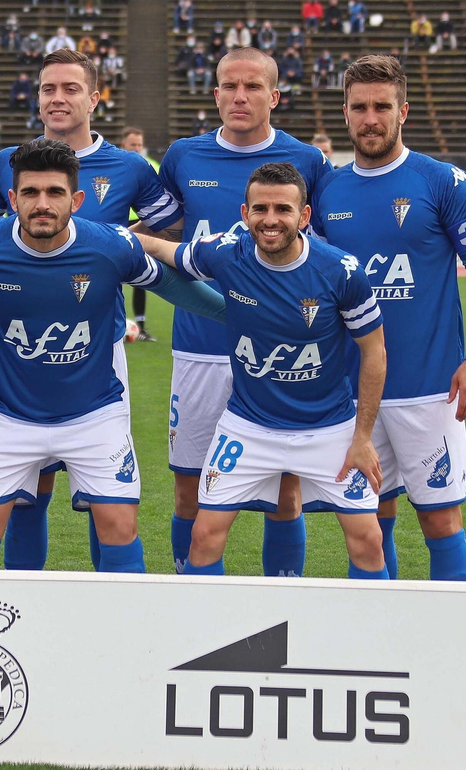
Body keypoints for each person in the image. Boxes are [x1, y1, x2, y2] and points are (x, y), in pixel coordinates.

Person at [0, 140, 224, 573]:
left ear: (76, 200)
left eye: (54, 193)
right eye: (30, 193)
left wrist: (238, 313)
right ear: (12, 199)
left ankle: (123, 639)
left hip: (94, 415)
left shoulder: (111, 246)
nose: (42, 204)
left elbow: (173, 288)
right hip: (7, 417)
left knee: (120, 531)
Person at [0, 52, 185, 570]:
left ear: (94, 97)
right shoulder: (7, 164)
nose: (57, 99)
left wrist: (128, 243)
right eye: (47, 89)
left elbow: (173, 230)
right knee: (25, 495)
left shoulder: (129, 167)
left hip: (100, 355)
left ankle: (103, 606)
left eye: (69, 88)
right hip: (22, 354)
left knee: (106, 498)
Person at [138, 162, 389, 579]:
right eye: (260, 209)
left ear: (303, 217)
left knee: (368, 539)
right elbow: (171, 254)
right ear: (244, 214)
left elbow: (375, 351)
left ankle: (369, 641)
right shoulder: (226, 254)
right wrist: (124, 239)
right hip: (248, 425)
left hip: (329, 426)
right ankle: (198, 633)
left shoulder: (341, 271)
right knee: (204, 537)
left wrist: (362, 437)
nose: (270, 220)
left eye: (282, 210)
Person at [305, 52, 466, 583]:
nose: (371, 118)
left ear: (403, 111)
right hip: (355, 389)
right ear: (345, 113)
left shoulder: (442, 181)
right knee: (367, 526)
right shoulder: (327, 191)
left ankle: (454, 644)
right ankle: (378, 646)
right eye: (360, 107)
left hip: (428, 385)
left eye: (382, 106)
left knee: (440, 520)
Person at [154, 46, 333, 577]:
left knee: (284, 491)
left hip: (280, 353)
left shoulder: (308, 162)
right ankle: (192, 593)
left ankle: (283, 595)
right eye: (229, 86)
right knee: (192, 487)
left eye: (253, 87)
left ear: (274, 95)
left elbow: (322, 250)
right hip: (200, 349)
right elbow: (166, 240)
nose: (240, 96)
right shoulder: (184, 156)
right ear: (214, 94)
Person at [119, 126, 161, 342]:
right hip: (117, 225)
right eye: (132, 144)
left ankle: (141, 328)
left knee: (139, 279)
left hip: (142, 227)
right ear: (123, 145)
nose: (136, 148)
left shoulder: (151, 166)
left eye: (138, 144)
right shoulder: (114, 166)